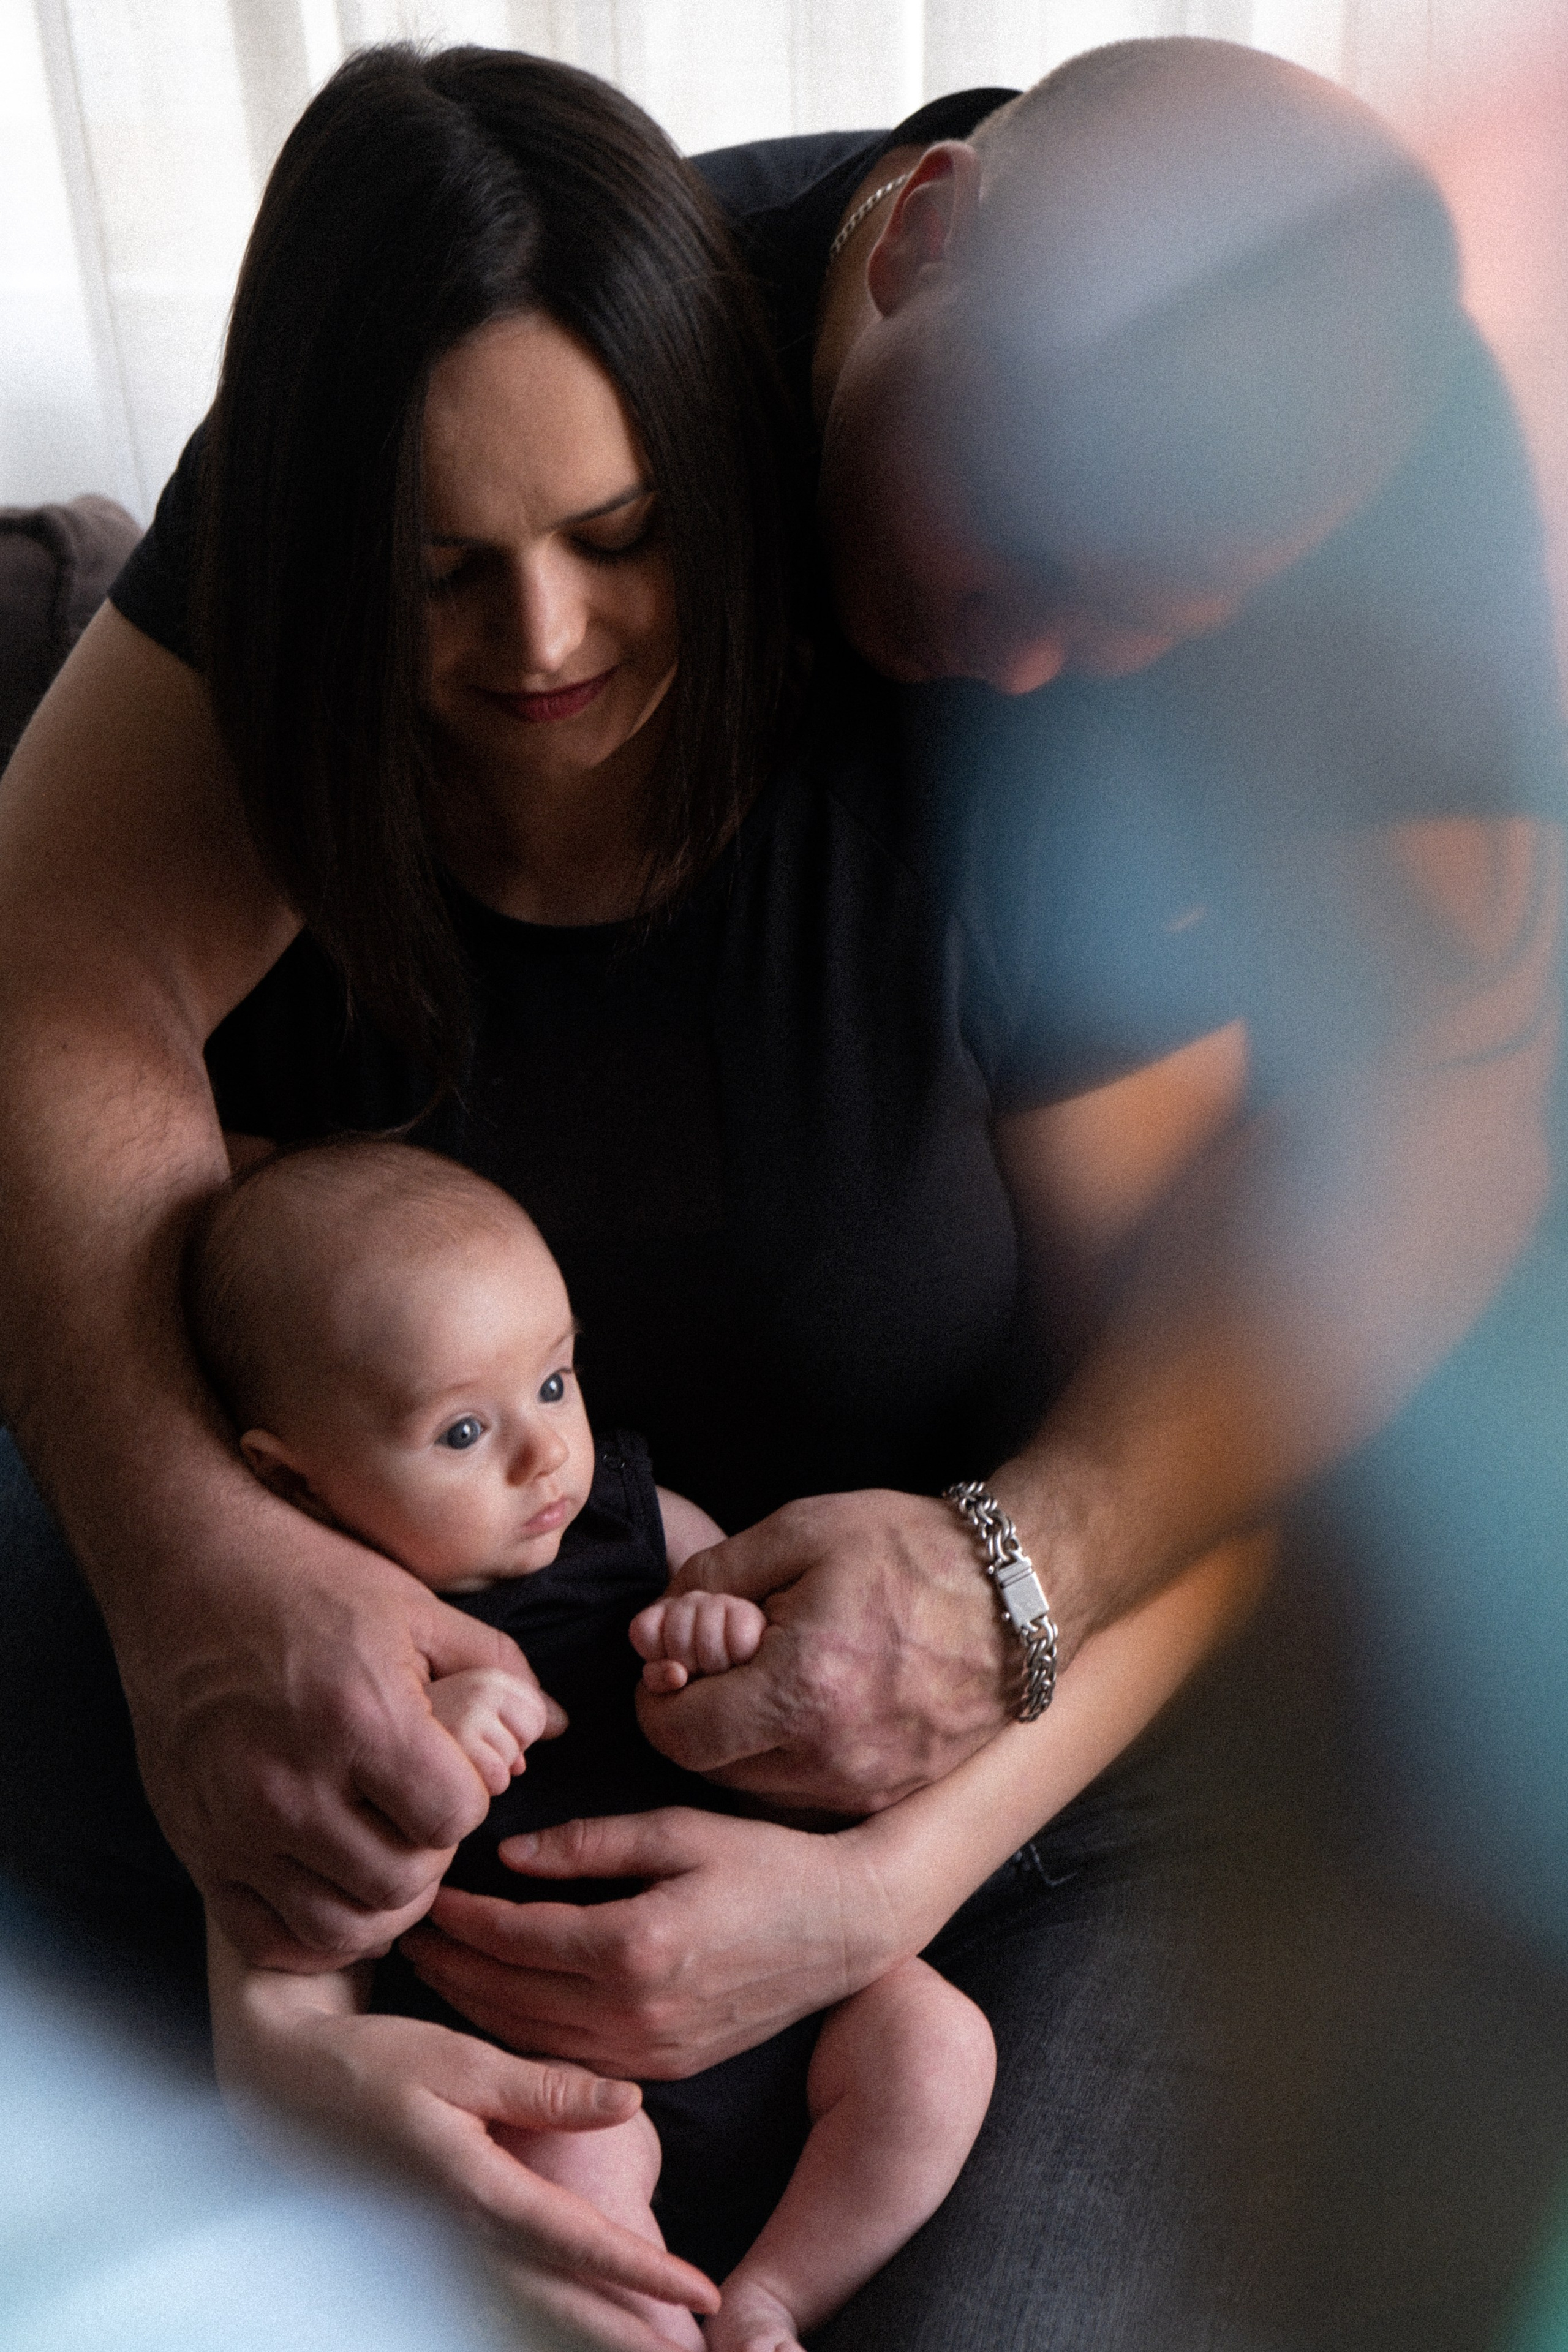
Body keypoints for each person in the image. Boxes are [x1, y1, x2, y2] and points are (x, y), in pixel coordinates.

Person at [0, 34, 1559, 2350]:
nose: (1045, 674)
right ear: (913, 236)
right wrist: (205, 1591)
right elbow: (55, 958)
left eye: (1165, 623)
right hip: (459, 1737)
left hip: (1027, 1774)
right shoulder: (527, 352)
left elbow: (1403, 1207)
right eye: (1023, 554)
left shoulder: (1353, 509)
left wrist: (1005, 1612)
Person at [188, 1136, 995, 2352]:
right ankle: (657, 2320)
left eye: (554, 1384)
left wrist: (720, 1630)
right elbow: (281, 1929)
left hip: (788, 2003)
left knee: (935, 2044)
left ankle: (777, 2293)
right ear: (295, 1487)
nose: (541, 1452)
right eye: (462, 1432)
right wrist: (436, 1762)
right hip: (549, 2070)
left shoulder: (642, 1524)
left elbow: (792, 1680)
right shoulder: (313, 1663)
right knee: (579, 2161)